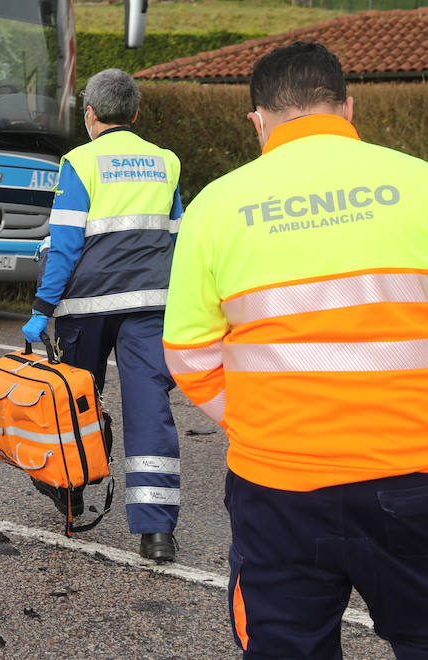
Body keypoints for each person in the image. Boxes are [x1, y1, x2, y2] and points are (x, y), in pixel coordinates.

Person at [163, 41, 428, 658]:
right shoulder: (419, 185)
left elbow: (188, 350)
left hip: (278, 484)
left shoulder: (217, 206)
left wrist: (259, 420)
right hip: (414, 474)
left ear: (258, 120)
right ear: (348, 108)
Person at [23, 68, 184, 562]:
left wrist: (40, 311)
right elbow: (178, 239)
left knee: (75, 400)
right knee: (149, 408)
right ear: (135, 114)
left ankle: (71, 496)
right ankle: (156, 533)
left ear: (89, 113)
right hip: (149, 306)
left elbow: (66, 246)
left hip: (86, 306)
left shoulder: (80, 162)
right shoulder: (166, 162)